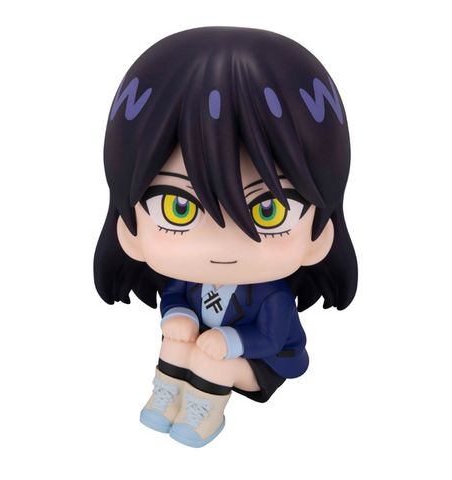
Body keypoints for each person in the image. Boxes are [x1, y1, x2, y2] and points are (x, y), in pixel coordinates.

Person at [94, 26, 358, 448]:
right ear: (130, 229)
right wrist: (177, 316)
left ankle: (203, 414)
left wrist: (228, 341)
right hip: (207, 343)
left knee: (211, 361)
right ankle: (166, 395)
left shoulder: (270, 296)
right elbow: (175, 296)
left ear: (318, 235)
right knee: (176, 342)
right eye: (177, 208)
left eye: (269, 210)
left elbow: (272, 338)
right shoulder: (187, 281)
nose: (221, 242)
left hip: (265, 360)